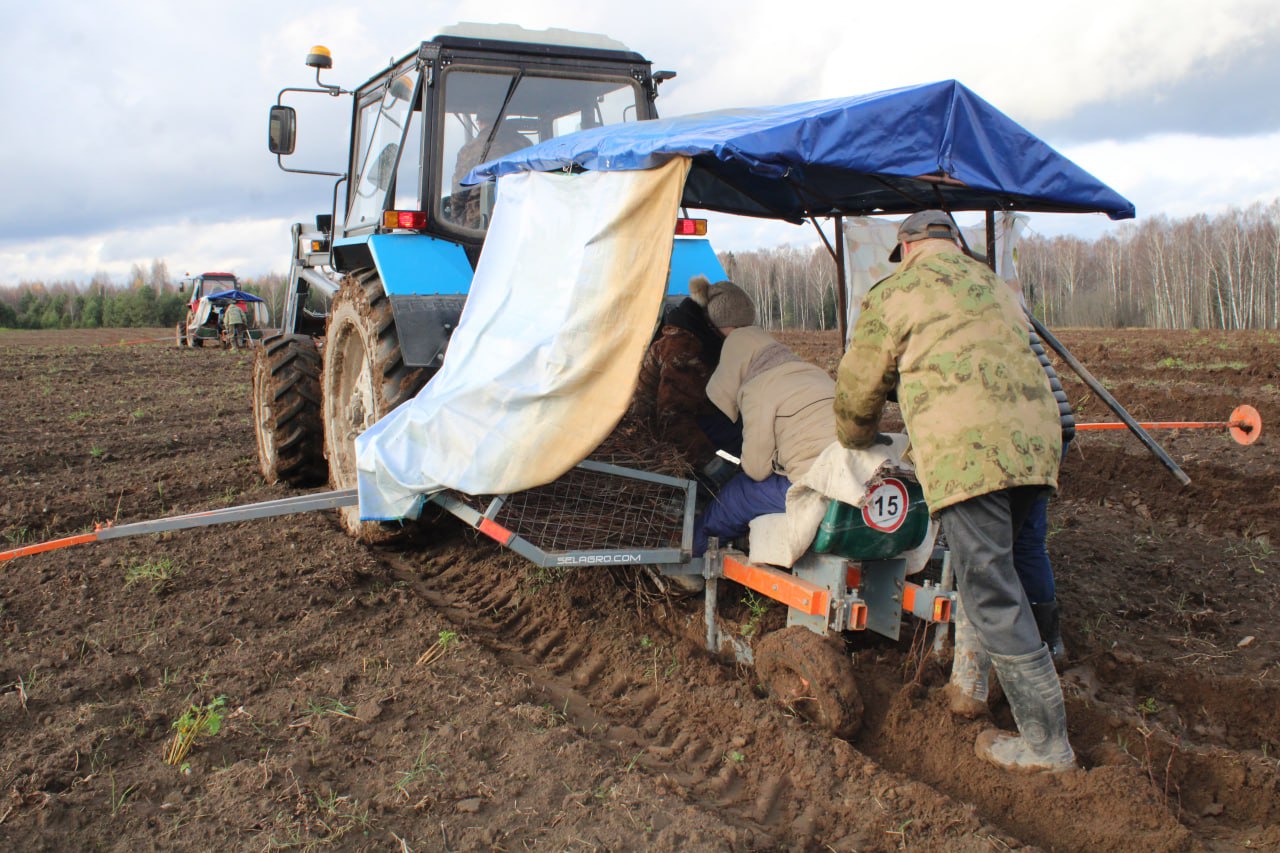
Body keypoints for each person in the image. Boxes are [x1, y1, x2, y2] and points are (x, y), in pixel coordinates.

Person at [833, 210, 1074, 773]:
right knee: (993, 569)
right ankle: (970, 686)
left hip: (971, 454)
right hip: (1036, 447)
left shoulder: (897, 290)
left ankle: (1046, 746)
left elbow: (859, 386)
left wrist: (855, 438)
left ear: (908, 246)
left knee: (991, 589)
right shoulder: (992, 284)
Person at [693, 281, 836, 558]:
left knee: (738, 494)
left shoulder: (758, 389)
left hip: (813, 486)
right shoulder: (812, 372)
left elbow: (756, 470)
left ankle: (694, 558)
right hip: (849, 476)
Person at [629, 275, 743, 487]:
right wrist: (709, 462)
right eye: (737, 327)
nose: (740, 334)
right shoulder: (683, 351)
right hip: (653, 432)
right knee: (711, 487)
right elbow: (672, 418)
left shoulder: (707, 339)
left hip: (694, 414)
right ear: (718, 321)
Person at [449, 117, 531, 229]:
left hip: (480, 223)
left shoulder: (470, 149)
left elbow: (460, 190)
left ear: (479, 121)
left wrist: (456, 219)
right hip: (521, 217)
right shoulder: (525, 144)